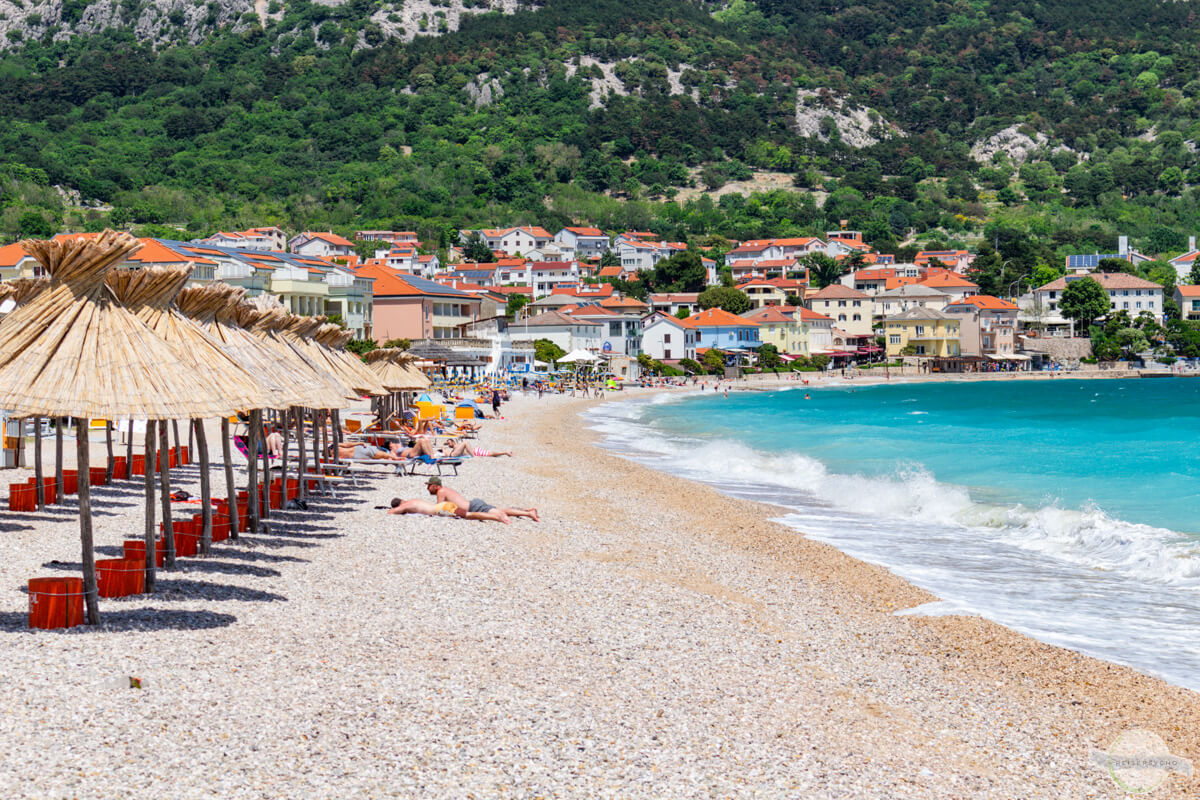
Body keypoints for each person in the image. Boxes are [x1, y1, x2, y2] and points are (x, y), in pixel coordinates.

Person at [424, 477, 538, 523]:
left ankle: (528, 513)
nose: (427, 488)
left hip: (473, 507)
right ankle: (527, 512)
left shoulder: (441, 492)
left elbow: (438, 508)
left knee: (500, 513)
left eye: (429, 486)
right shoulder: (445, 490)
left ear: (436, 486)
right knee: (500, 510)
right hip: (473, 504)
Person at [441, 438, 512, 458]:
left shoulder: (457, 446)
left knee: (491, 454)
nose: (448, 444)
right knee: (490, 454)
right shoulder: (457, 447)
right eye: (448, 443)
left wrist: (444, 448)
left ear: (453, 442)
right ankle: (505, 452)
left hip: (475, 452)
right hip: (475, 450)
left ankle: (506, 452)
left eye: (449, 442)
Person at [387, 497, 459, 517]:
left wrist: (394, 509)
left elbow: (390, 512)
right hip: (443, 505)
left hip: (440, 510)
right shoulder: (412, 500)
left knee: (466, 514)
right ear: (402, 499)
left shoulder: (405, 506)